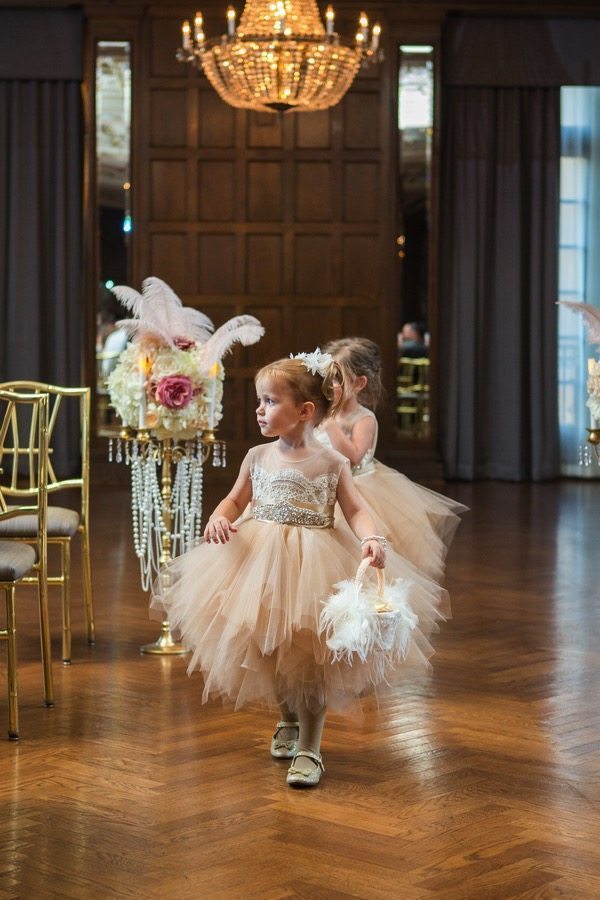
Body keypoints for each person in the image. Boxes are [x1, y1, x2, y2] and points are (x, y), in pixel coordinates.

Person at [152, 350, 450, 789]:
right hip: (257, 559)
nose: (259, 409)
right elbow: (235, 500)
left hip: (316, 560)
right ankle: (287, 718)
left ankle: (310, 745)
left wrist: (371, 537)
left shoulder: (332, 463)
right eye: (260, 400)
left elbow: (356, 509)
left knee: (311, 658)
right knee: (270, 650)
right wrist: (220, 516)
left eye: (270, 401)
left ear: (305, 411)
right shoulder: (256, 456)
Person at [318, 337, 467, 580]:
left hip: (358, 489)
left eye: (337, 379)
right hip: (322, 488)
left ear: (359, 383)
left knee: (349, 550)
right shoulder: (321, 414)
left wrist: (331, 426)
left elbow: (354, 457)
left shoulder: (362, 419)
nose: (329, 384)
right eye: (327, 377)